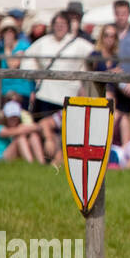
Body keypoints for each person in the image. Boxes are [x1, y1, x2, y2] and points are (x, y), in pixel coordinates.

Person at [23, 10, 94, 163]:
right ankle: (46, 159)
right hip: (45, 94)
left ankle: (60, 159)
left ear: (68, 26)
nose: (60, 27)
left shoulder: (78, 43)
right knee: (43, 127)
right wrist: (35, 76)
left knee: (66, 131)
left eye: (63, 24)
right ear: (53, 26)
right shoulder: (44, 41)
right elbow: (27, 58)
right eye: (57, 24)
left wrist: (84, 74)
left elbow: (95, 56)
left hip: (68, 94)